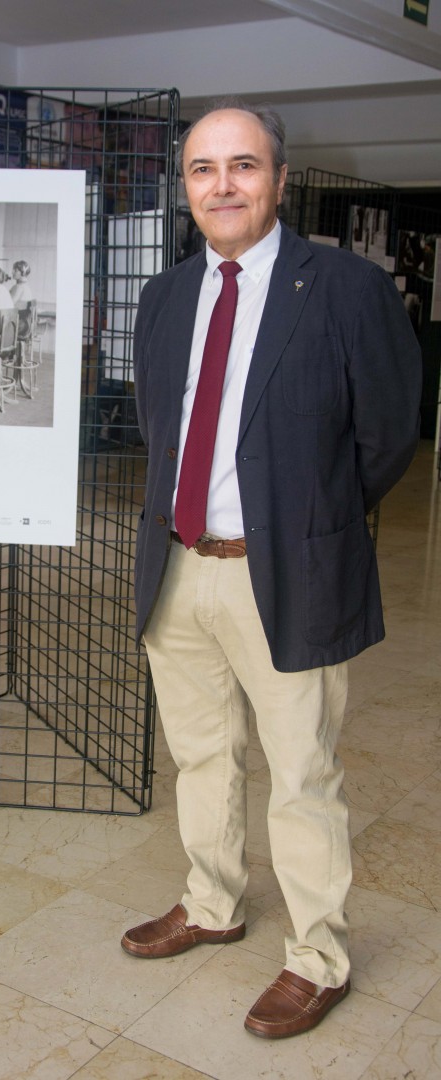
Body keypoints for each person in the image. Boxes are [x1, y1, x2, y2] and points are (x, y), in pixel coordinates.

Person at [124, 98, 421, 1040]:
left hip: (286, 572)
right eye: (204, 169)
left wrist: (308, 521)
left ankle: (318, 957)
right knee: (202, 756)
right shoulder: (166, 295)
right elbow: (159, 427)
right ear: (186, 188)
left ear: (280, 180)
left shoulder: (342, 288)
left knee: (301, 774)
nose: (223, 185)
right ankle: (212, 903)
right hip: (178, 571)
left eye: (243, 166)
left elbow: (385, 437)